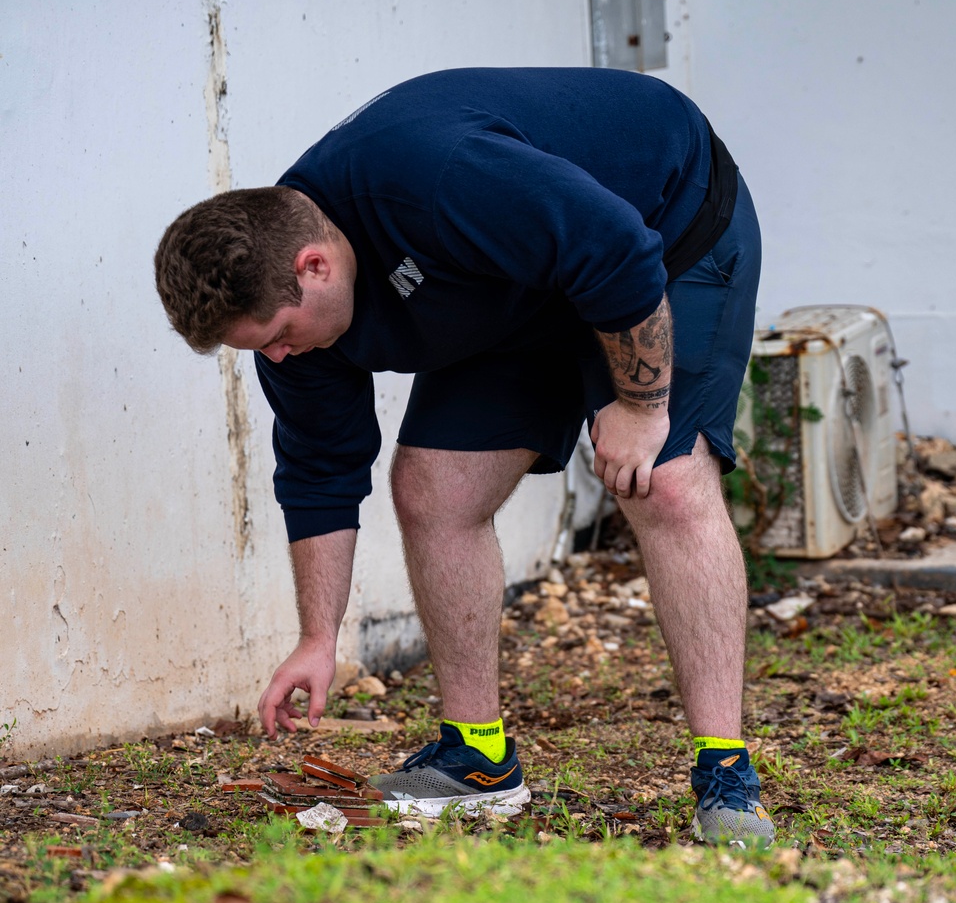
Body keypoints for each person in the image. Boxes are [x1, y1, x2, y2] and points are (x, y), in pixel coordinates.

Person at [154, 67, 773, 847]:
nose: (276, 358)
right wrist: (320, 638)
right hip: (518, 284)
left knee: (667, 484)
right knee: (432, 491)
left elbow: (615, 249)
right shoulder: (290, 328)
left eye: (277, 335)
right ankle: (478, 761)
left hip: (664, 226)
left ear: (314, 265)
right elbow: (320, 468)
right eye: (258, 350)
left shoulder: (433, 179)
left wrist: (642, 408)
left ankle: (726, 771)